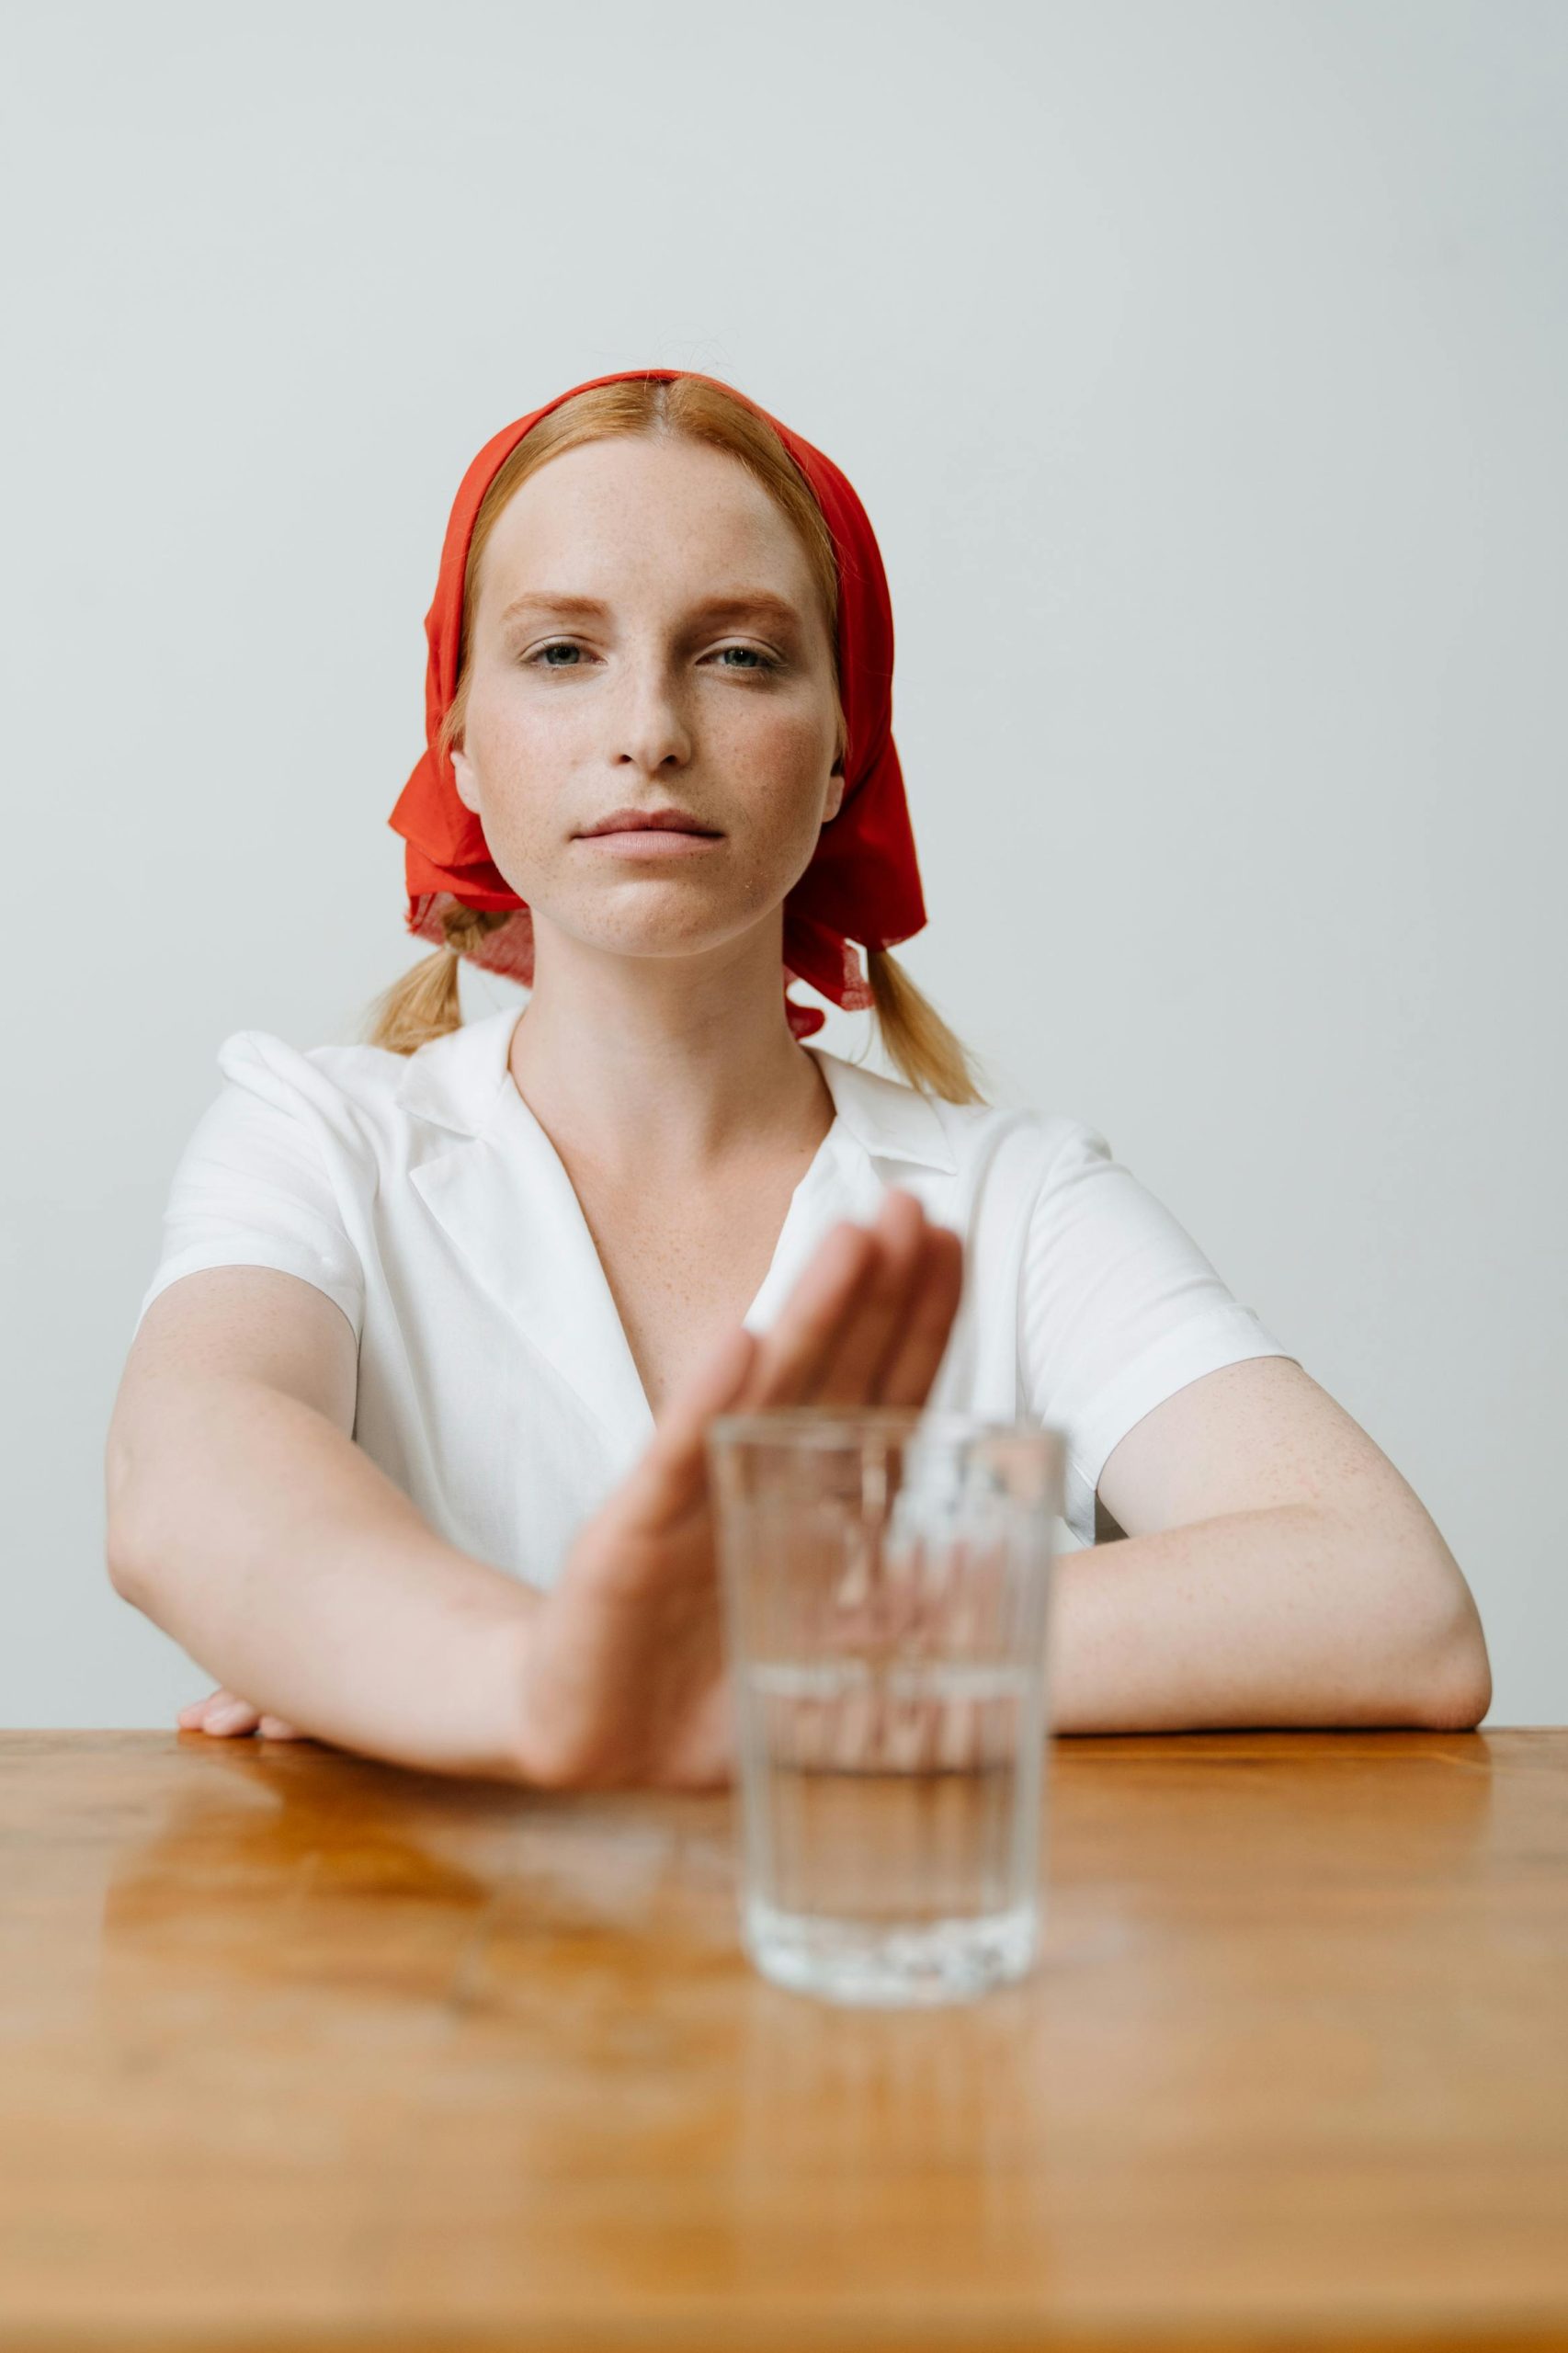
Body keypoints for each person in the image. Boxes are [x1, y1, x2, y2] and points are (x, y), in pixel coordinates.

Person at [104, 369, 1491, 1787]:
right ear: (455, 738)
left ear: (844, 752)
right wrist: (534, 1686)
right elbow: (193, 1468)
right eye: (562, 652)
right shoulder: (322, 1137)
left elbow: (1388, 1600)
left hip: (888, 2008)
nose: (647, 727)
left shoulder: (1012, 1205)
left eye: (739, 656)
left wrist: (716, 1671)